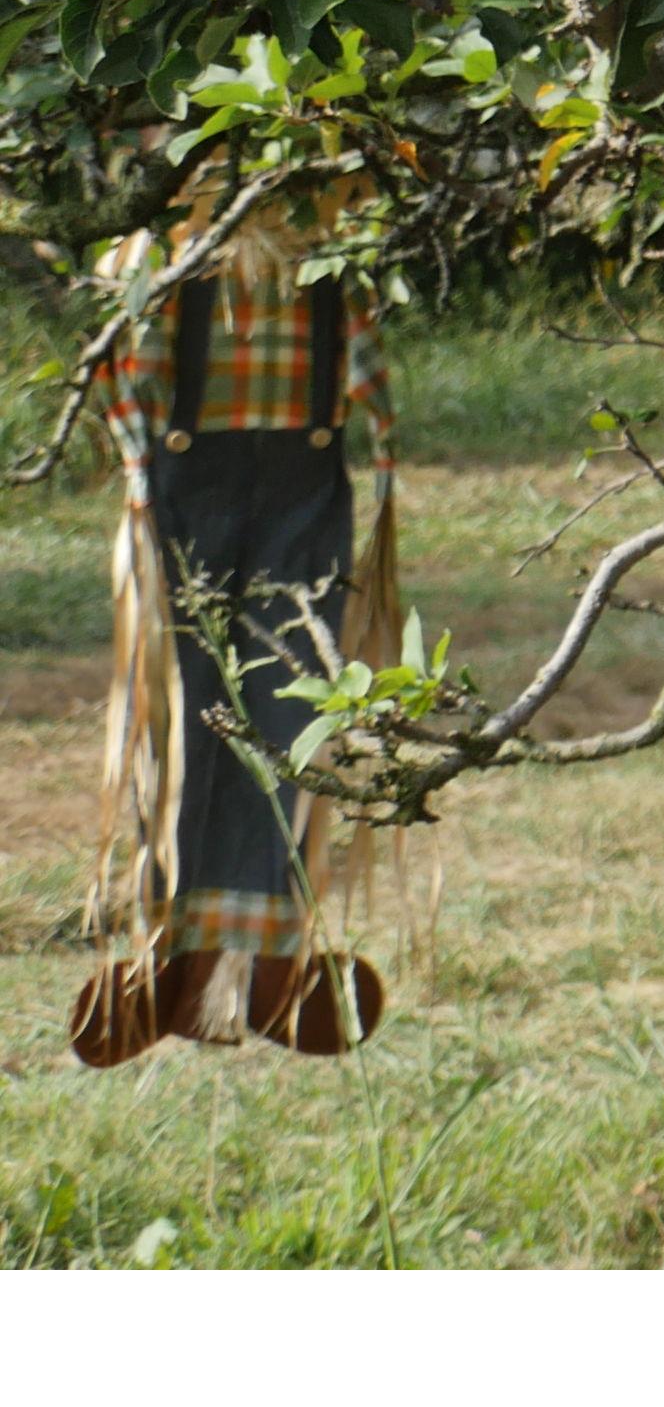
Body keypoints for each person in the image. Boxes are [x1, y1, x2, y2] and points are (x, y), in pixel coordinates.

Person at [72, 173, 398, 1065]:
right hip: (256, 499)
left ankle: (250, 958)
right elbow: (374, 391)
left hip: (225, 498)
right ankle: (198, 951)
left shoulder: (172, 263)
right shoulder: (313, 264)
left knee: (264, 713)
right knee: (220, 714)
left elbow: (122, 382)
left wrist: (136, 467)